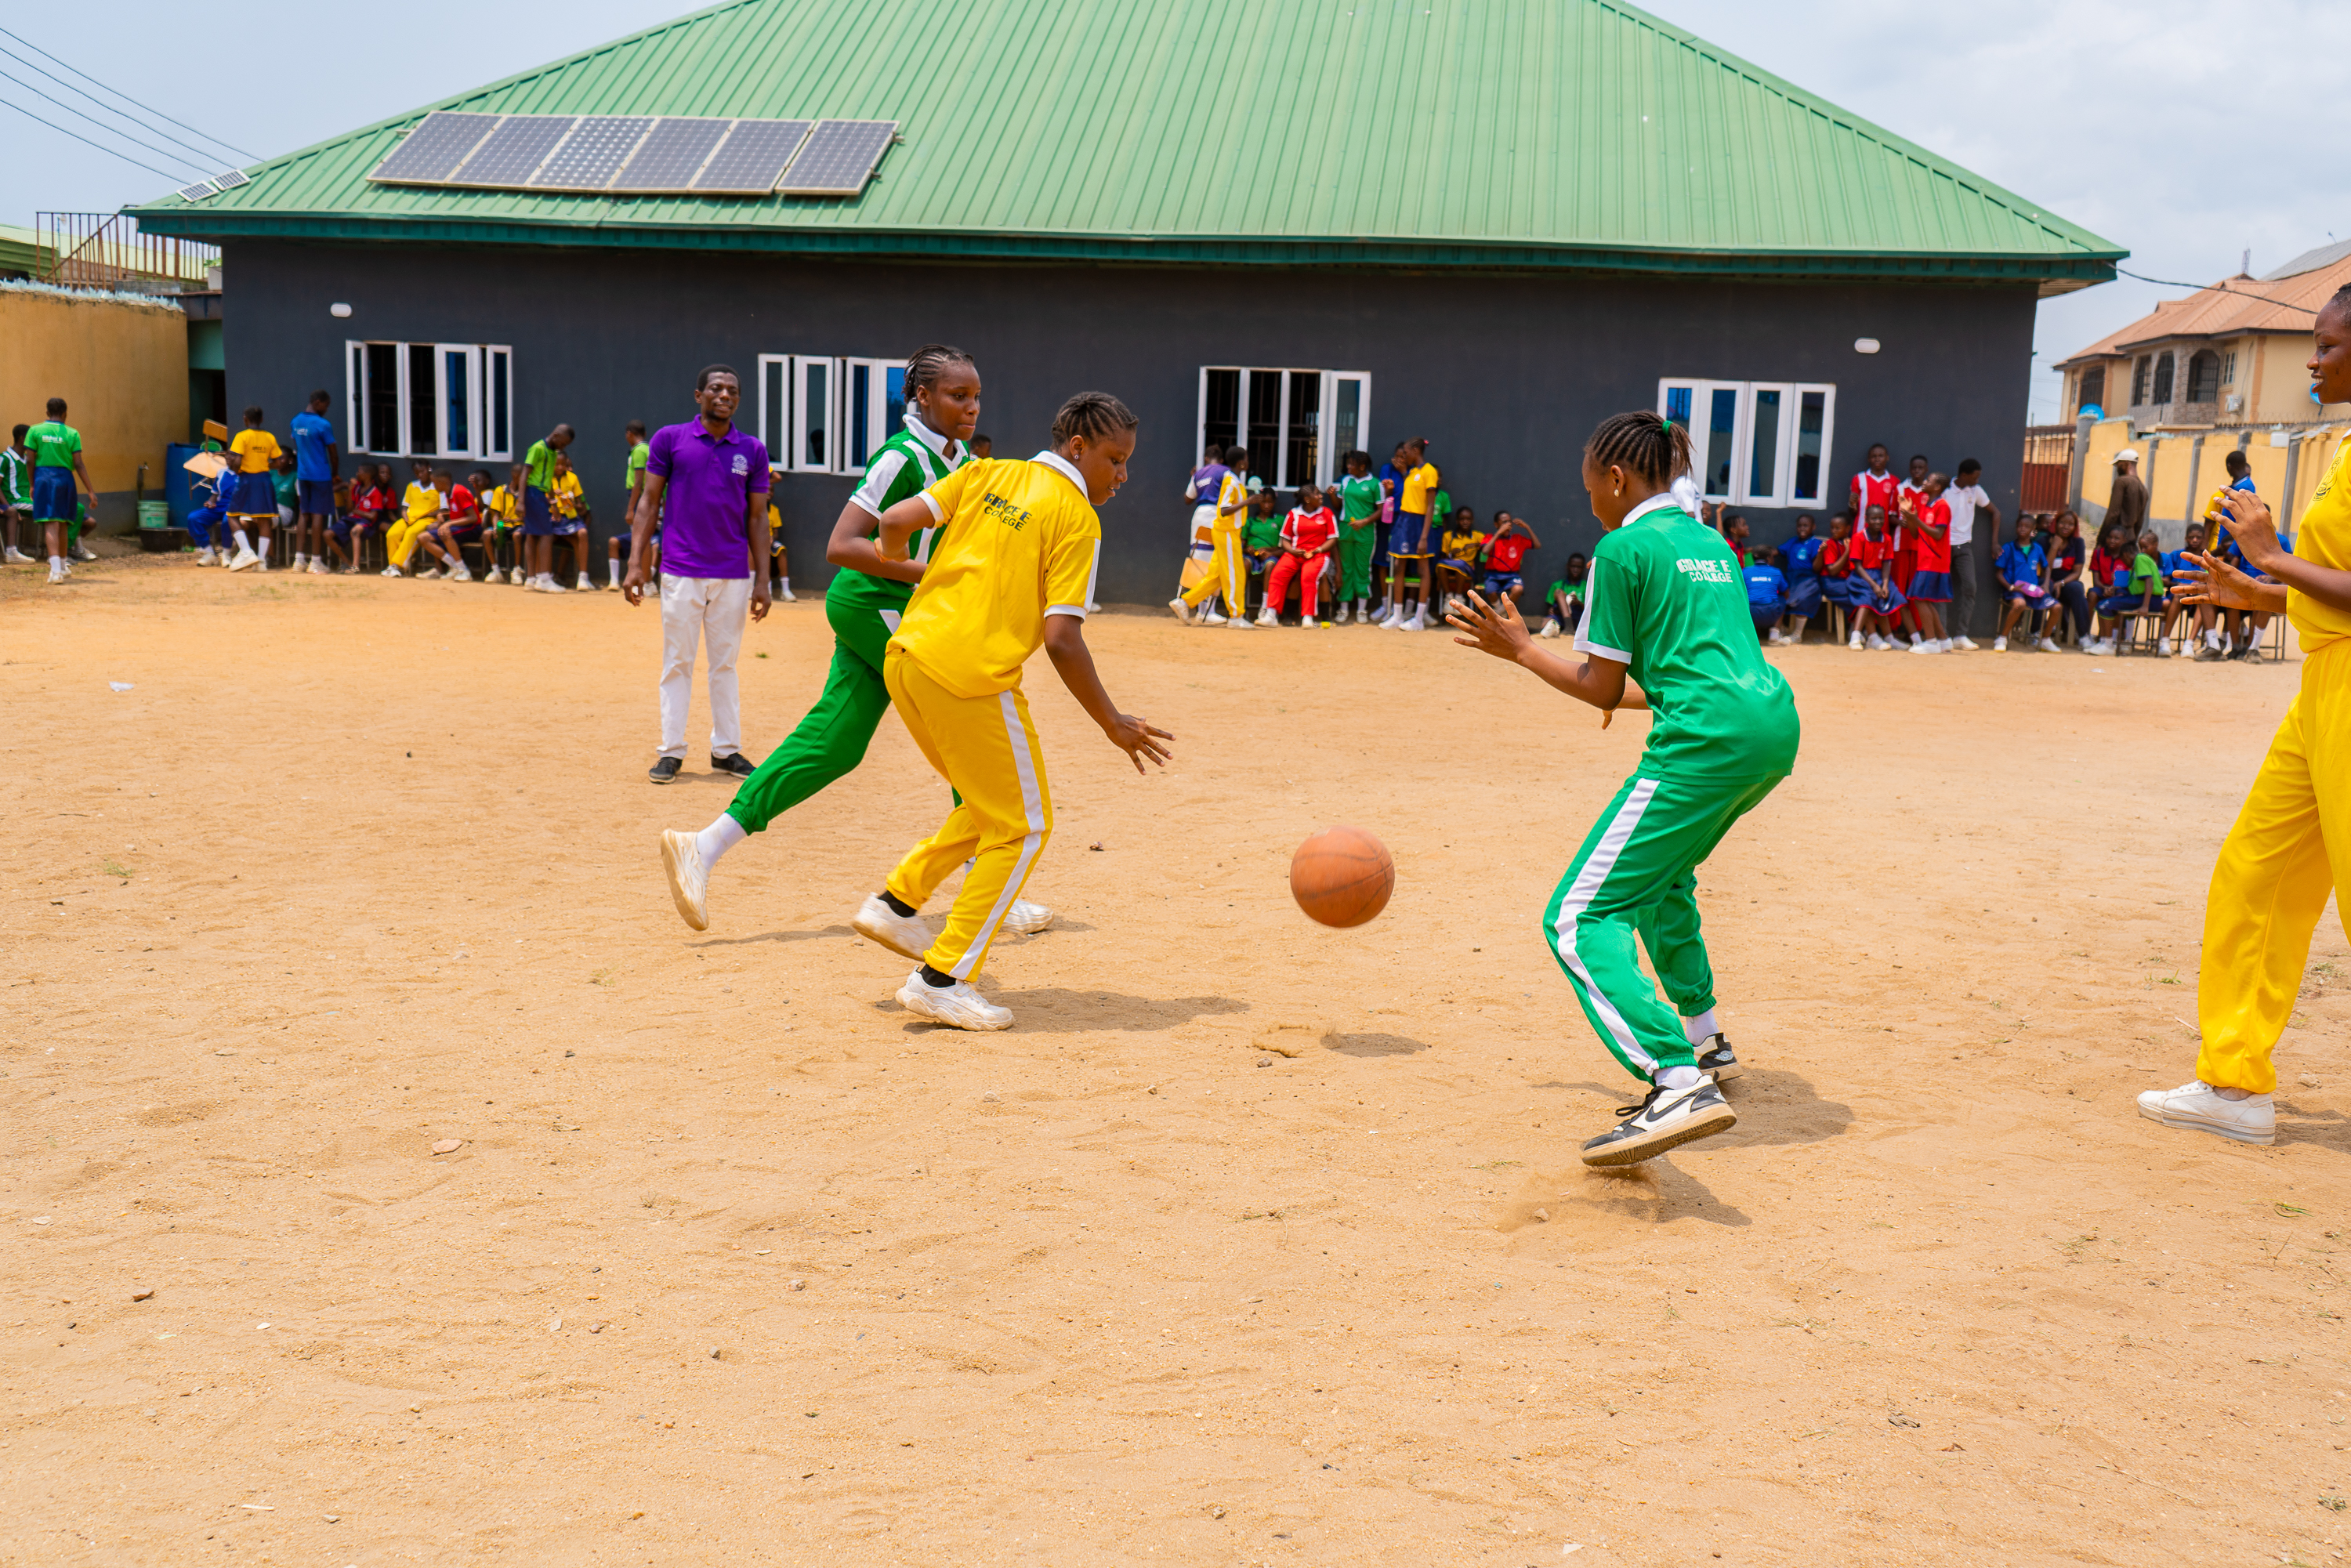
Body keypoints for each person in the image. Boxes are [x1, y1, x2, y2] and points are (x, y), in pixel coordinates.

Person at [1444, 410, 1799, 1165]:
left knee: (1579, 915)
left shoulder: (1623, 545)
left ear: (1615, 479)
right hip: (1767, 725)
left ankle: (1674, 1081)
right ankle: (1704, 1041)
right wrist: (1633, 697)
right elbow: (1691, 672)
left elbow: (1599, 683)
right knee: (1663, 881)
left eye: (1591, 491)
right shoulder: (1711, 543)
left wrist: (1519, 649)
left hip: (1704, 740)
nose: (1591, 507)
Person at [659, 346, 1059, 943]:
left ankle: (703, 846)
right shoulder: (901, 458)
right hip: (878, 604)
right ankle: (985, 875)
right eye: (957, 396)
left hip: (888, 607)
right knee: (967, 728)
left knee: (835, 743)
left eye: (976, 396)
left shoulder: (959, 458)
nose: (971, 407)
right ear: (922, 396)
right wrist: (933, 575)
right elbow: (842, 544)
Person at [839, 391, 1170, 1031]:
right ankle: (943, 977)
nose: (1122, 475)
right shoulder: (1076, 516)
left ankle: (898, 901)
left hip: (908, 656)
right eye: (1115, 459)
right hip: (971, 675)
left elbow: (896, 518)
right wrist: (1112, 721)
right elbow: (1061, 637)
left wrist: (902, 564)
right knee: (1025, 825)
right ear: (1078, 448)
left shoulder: (987, 471)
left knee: (989, 807)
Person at [2138, 287, 2351, 1146]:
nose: (2313, 359)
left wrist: (2271, 555)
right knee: (2255, 873)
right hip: (2323, 691)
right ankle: (2234, 1085)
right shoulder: (2344, 448)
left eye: (2329, 347)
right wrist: (2260, 590)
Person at [623, 366, 769, 784]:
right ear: (698, 394)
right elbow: (649, 503)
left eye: (733, 391)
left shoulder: (752, 450)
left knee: (725, 665)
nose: (725, 395)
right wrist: (637, 563)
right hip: (681, 569)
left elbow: (758, 520)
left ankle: (726, 751)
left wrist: (762, 579)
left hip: (733, 574)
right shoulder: (671, 440)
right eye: (717, 389)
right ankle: (671, 752)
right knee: (678, 663)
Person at [1171, 444, 1250, 628]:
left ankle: (1188, 603)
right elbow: (1224, 507)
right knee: (1227, 569)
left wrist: (1195, 477)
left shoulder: (1199, 472)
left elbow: (1188, 499)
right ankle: (1213, 612)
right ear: (1222, 460)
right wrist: (1249, 501)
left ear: (1206, 458)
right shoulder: (1226, 474)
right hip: (1220, 520)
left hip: (1199, 515)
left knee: (1209, 566)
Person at [1378, 438, 1440, 630]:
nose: (1403, 457)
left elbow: (1430, 506)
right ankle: (1397, 616)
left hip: (1418, 523)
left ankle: (1419, 620)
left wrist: (1423, 537)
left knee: (1423, 569)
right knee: (1398, 566)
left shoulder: (1429, 471)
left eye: (1405, 453)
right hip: (1403, 522)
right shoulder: (1412, 472)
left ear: (1415, 450)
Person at [1259, 481, 1338, 626]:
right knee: (1278, 573)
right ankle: (1271, 615)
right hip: (1295, 554)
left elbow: (1333, 538)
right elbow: (1285, 541)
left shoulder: (1326, 513)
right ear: (1307, 499)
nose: (1321, 496)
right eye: (1317, 494)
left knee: (1308, 575)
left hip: (1318, 554)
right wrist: (1294, 551)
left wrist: (1318, 550)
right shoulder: (1293, 514)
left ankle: (1307, 617)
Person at [513, 422, 576, 592]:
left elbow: (548, 480)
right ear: (555, 435)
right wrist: (521, 500)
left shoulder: (553, 453)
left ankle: (531, 580)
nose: (563, 447)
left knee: (532, 535)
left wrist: (553, 503)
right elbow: (525, 473)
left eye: (566, 446)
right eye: (562, 443)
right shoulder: (538, 448)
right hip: (533, 494)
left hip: (540, 495)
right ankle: (544, 579)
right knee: (547, 535)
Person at [221, 406, 280, 573]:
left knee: (232, 515)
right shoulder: (269, 437)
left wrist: (236, 471)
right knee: (264, 519)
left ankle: (246, 551)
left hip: (247, 479)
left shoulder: (242, 436)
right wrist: (263, 464)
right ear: (261, 420)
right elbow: (278, 462)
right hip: (264, 480)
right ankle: (261, 561)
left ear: (245, 419)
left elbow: (237, 460)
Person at [1944, 458, 1996, 649]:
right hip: (1945, 546)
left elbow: (1995, 512)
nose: (1977, 480)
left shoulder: (1976, 491)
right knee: (1942, 589)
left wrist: (1994, 543)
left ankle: (1961, 636)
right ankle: (1943, 636)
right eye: (1975, 477)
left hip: (1964, 546)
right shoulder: (1945, 491)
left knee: (1970, 587)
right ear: (1964, 475)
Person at [289, 390, 339, 577]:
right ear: (318, 403)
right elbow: (333, 454)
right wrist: (335, 473)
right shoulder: (323, 425)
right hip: (320, 475)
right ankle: (316, 561)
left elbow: (298, 446)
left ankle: (299, 560)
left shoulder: (295, 421)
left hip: (303, 474)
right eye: (326, 406)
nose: (326, 410)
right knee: (318, 514)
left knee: (304, 512)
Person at [1904, 473, 1954, 654]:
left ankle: (1931, 642)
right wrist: (1911, 518)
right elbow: (1916, 534)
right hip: (1924, 561)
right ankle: (1943, 639)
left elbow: (1938, 534)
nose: (1924, 482)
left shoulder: (1943, 506)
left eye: (1928, 480)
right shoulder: (1925, 505)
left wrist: (1916, 520)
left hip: (1935, 561)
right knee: (1925, 600)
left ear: (1937, 487)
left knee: (1920, 599)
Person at [1331, 448, 1381, 624]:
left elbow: (1380, 511)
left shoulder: (1375, 484)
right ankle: (1343, 609)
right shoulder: (1346, 480)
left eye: (1352, 464)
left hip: (1365, 531)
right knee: (1345, 568)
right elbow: (1338, 506)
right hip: (1346, 528)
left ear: (1362, 466)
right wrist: (1332, 496)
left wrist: (1364, 522)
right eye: (1348, 463)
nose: (1349, 466)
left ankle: (1361, 610)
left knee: (1363, 568)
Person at [1846, 504, 1904, 649]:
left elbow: (1886, 564)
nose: (1878, 522)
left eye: (1880, 518)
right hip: (1860, 578)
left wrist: (1884, 585)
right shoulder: (1859, 537)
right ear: (1866, 519)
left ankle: (1889, 638)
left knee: (1886, 598)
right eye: (1874, 518)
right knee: (1867, 598)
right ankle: (1855, 636)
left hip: (1878, 577)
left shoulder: (1886, 539)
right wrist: (1874, 585)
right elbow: (1857, 566)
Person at [1992, 514, 2048, 652]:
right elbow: (1998, 573)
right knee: (2020, 604)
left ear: (2033, 529)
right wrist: (2011, 587)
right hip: (2014, 591)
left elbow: (2047, 567)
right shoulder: (2009, 548)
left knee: (2056, 606)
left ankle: (2045, 640)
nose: (2023, 529)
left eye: (2027, 526)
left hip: (2032, 591)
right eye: (2020, 526)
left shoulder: (2038, 549)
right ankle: (2002, 638)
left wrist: (2045, 584)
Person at [416, 469, 480, 581]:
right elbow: (458, 512)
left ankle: (463, 570)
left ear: (442, 483)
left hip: (473, 528)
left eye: (434, 483)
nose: (433, 486)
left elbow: (473, 517)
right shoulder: (448, 493)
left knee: (445, 531)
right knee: (423, 538)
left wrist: (449, 523)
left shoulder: (459, 492)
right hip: (460, 526)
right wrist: (444, 515)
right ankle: (453, 567)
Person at [383, 459, 442, 577]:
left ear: (429, 468)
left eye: (422, 471)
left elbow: (443, 509)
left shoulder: (438, 486)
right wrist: (406, 518)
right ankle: (394, 568)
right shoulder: (412, 486)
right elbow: (404, 507)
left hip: (427, 520)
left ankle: (396, 566)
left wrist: (424, 515)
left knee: (411, 533)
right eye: (417, 473)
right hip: (409, 518)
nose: (420, 475)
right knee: (392, 534)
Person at [2040, 510, 2089, 652]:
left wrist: (2061, 583)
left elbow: (2077, 572)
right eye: (2062, 523)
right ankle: (2037, 633)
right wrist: (2054, 547)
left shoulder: (2078, 543)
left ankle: (2084, 636)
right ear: (2055, 523)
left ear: (2075, 527)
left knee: (2077, 588)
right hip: (2047, 580)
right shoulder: (2044, 541)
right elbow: (2044, 570)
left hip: (2065, 583)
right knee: (2046, 585)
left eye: (2070, 524)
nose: (2066, 527)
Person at [2158, 521, 2208, 657]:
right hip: (2177, 595)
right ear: (2186, 538)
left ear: (2203, 539)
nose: (2195, 540)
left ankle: (2189, 643)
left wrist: (2199, 586)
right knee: (2178, 596)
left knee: (2204, 600)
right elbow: (2167, 580)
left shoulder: (2207, 559)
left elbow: (2211, 580)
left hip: (2196, 595)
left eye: (2198, 537)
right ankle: (2165, 642)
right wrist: (2178, 585)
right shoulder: (2177, 555)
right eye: (2191, 537)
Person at [328, 463, 388, 573]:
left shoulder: (375, 493)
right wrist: (350, 489)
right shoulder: (356, 488)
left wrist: (357, 511)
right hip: (350, 519)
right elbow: (349, 510)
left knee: (355, 531)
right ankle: (347, 563)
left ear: (367, 475)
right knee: (327, 534)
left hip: (366, 523)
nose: (356, 474)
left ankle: (355, 567)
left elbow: (372, 516)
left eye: (359, 472)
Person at [1774, 513, 1823, 644]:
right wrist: (1759, 552)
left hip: (1808, 579)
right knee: (1779, 595)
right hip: (1791, 578)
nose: (1802, 528)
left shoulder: (1816, 543)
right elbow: (1777, 552)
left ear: (1813, 527)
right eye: (1799, 526)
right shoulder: (1793, 541)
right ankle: (1781, 629)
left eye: (1806, 526)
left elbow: (1817, 568)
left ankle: (1797, 634)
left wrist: (1821, 553)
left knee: (1802, 598)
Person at [548, 452, 594, 591]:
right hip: (552, 518)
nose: (560, 467)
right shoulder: (547, 479)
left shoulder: (573, 478)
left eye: (563, 464)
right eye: (557, 464)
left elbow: (583, 507)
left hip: (570, 518)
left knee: (583, 533)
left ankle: (583, 578)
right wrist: (553, 502)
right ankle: (545, 576)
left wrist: (571, 503)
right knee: (545, 537)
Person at [1481, 512, 1539, 610]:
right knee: (1490, 591)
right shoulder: (1490, 538)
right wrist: (1498, 533)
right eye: (1504, 522)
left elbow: (1537, 545)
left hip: (1512, 575)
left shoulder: (1518, 539)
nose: (1508, 525)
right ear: (1496, 524)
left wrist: (1527, 527)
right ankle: (1500, 610)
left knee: (1518, 589)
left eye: (1509, 522)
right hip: (1493, 575)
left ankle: (1500, 612)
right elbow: (1485, 551)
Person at [480, 473, 523, 583]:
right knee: (486, 535)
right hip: (502, 525)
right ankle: (495, 570)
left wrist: (514, 520)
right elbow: (495, 514)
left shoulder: (526, 492)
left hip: (519, 525)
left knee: (517, 536)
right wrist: (495, 527)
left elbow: (529, 517)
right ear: (515, 477)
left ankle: (517, 570)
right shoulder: (500, 490)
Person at [2106, 448, 2150, 554]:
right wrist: (2133, 540)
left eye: (2119, 464)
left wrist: (2102, 538)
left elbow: (2113, 513)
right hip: (2131, 539)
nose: (2117, 468)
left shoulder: (2121, 481)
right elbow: (2140, 521)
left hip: (2115, 539)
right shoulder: (2143, 488)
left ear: (2126, 463)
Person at [2, 424, 34, 565]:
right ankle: (11, 552)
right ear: (22, 439)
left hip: (28, 500)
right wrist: (8, 506)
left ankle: (68, 549)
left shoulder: (29, 460)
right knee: (52, 509)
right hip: (15, 501)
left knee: (62, 507)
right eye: (31, 438)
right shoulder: (5, 458)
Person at [1540, 552, 1588, 638]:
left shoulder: (1587, 586)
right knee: (1544, 624)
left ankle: (1569, 627)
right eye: (1573, 566)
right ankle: (1564, 627)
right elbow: (1549, 608)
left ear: (1583, 569)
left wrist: (1579, 603)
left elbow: (1591, 611)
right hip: (1561, 617)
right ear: (1568, 566)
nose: (1576, 570)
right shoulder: (1557, 585)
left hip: (1579, 618)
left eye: (1579, 567)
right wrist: (1551, 610)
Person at [1741, 554, 1789, 641]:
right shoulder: (1776, 572)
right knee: (1782, 599)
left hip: (1749, 614)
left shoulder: (1745, 571)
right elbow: (1786, 593)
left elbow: (1739, 591)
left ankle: (1748, 635)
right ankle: (1775, 633)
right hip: (1770, 613)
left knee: (1744, 600)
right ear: (1769, 559)